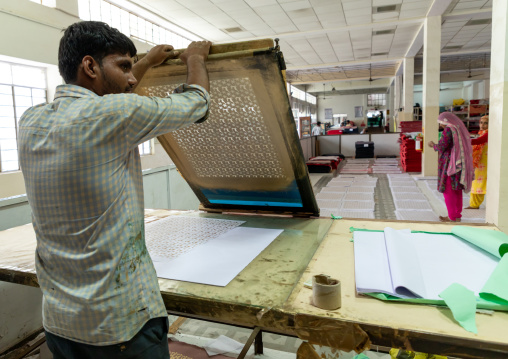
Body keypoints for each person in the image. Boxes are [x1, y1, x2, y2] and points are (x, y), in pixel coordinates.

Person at [18, 21, 211, 358]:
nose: (133, 79)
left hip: (61, 326)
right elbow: (197, 103)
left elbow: (106, 98)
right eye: (123, 66)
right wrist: (195, 58)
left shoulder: (31, 121)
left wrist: (146, 62)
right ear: (89, 65)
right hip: (120, 329)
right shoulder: (116, 114)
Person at [428, 112, 474, 222]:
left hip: (450, 164)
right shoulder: (458, 129)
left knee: (448, 190)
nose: (440, 126)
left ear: (446, 121)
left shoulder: (449, 129)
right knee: (456, 189)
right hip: (459, 163)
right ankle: (456, 215)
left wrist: (433, 145)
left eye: (441, 123)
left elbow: (442, 146)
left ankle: (452, 217)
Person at [466, 115, 489, 209]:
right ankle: (474, 204)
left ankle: (475, 204)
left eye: (486, 123)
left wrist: (464, 140)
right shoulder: (482, 133)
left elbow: (478, 141)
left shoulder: (488, 133)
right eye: (481, 122)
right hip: (479, 162)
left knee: (481, 182)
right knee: (476, 181)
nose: (482, 125)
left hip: (485, 163)